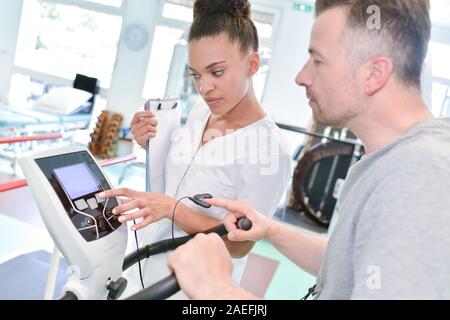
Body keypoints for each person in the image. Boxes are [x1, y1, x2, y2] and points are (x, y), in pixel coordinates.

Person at [168, 0, 450, 299]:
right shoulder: (381, 162)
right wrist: (271, 230)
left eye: (317, 61)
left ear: (374, 74)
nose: (301, 76)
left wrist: (214, 288)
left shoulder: (421, 174)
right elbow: (345, 261)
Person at [99, 0, 292, 298]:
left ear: (252, 64)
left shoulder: (269, 150)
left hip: (193, 289)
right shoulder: (201, 114)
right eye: (196, 75)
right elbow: (180, 178)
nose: (204, 88)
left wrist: (171, 209)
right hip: (144, 272)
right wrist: (149, 143)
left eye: (217, 72)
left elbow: (240, 245)